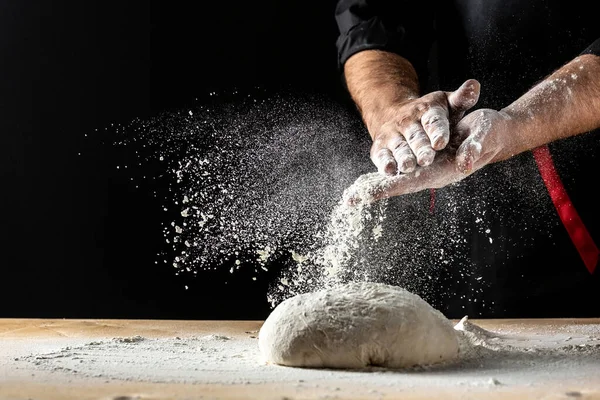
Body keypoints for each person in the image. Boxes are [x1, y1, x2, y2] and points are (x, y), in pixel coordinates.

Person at [334, 0, 600, 318]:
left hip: (581, 212)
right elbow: (375, 16)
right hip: (448, 177)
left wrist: (517, 123)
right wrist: (394, 110)